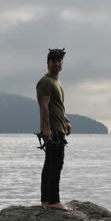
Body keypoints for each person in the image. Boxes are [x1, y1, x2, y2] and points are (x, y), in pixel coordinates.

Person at [36, 48, 72, 212]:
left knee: (49, 164)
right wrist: (47, 128)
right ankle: (54, 201)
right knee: (56, 164)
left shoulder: (57, 82)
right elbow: (43, 107)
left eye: (59, 61)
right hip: (52, 130)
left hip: (59, 127)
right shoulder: (45, 82)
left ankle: (45, 200)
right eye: (54, 61)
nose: (57, 64)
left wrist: (66, 120)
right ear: (48, 62)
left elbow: (58, 106)